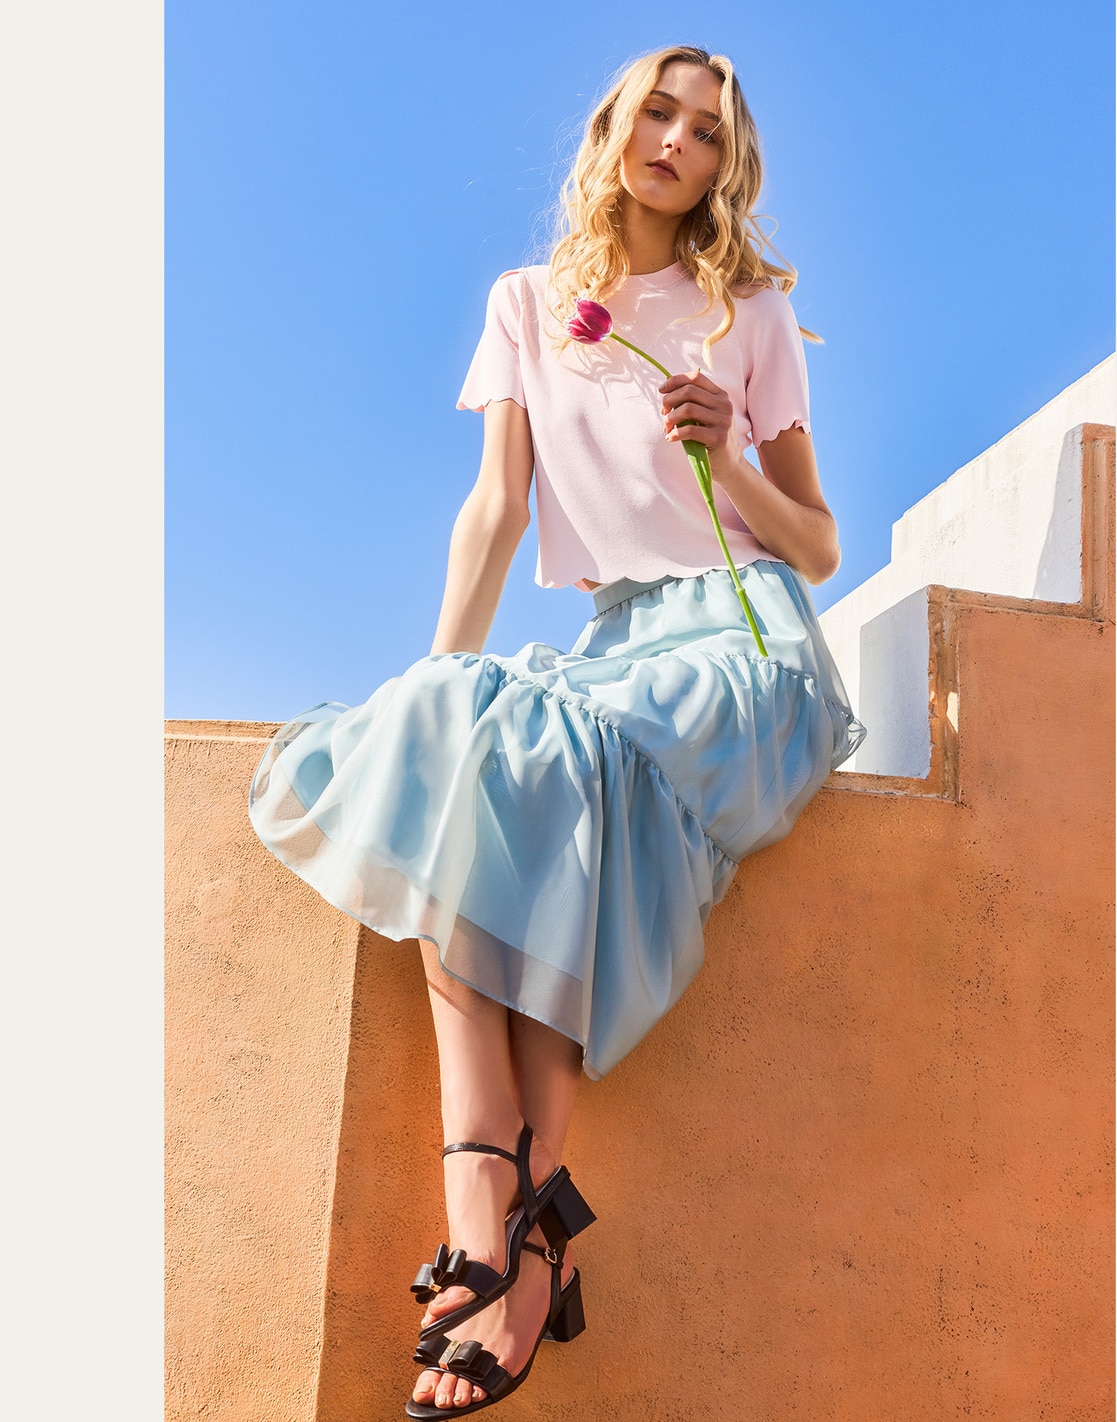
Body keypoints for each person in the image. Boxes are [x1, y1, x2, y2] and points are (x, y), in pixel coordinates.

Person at [248, 43, 865, 1419]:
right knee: (465, 756)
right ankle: (514, 1222)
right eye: (659, 113)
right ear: (611, 126)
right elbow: (497, 507)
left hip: (742, 645)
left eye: (707, 131)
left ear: (725, 164)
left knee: (568, 761)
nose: (678, 142)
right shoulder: (526, 305)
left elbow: (820, 547)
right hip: (611, 641)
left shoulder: (749, 311)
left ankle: (501, 1223)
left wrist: (727, 459)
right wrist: (437, 684)